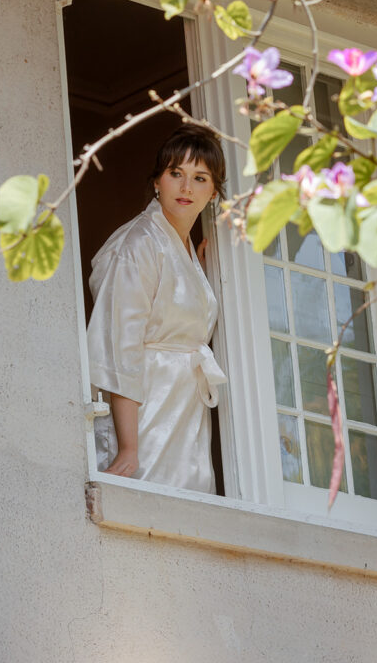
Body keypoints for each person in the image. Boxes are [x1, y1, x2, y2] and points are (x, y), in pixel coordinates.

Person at [87, 124, 227, 494]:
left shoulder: (183, 247)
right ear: (156, 182)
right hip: (146, 413)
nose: (186, 188)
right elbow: (121, 347)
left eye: (199, 178)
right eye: (175, 174)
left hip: (186, 416)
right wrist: (129, 448)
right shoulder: (138, 245)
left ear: (213, 192)